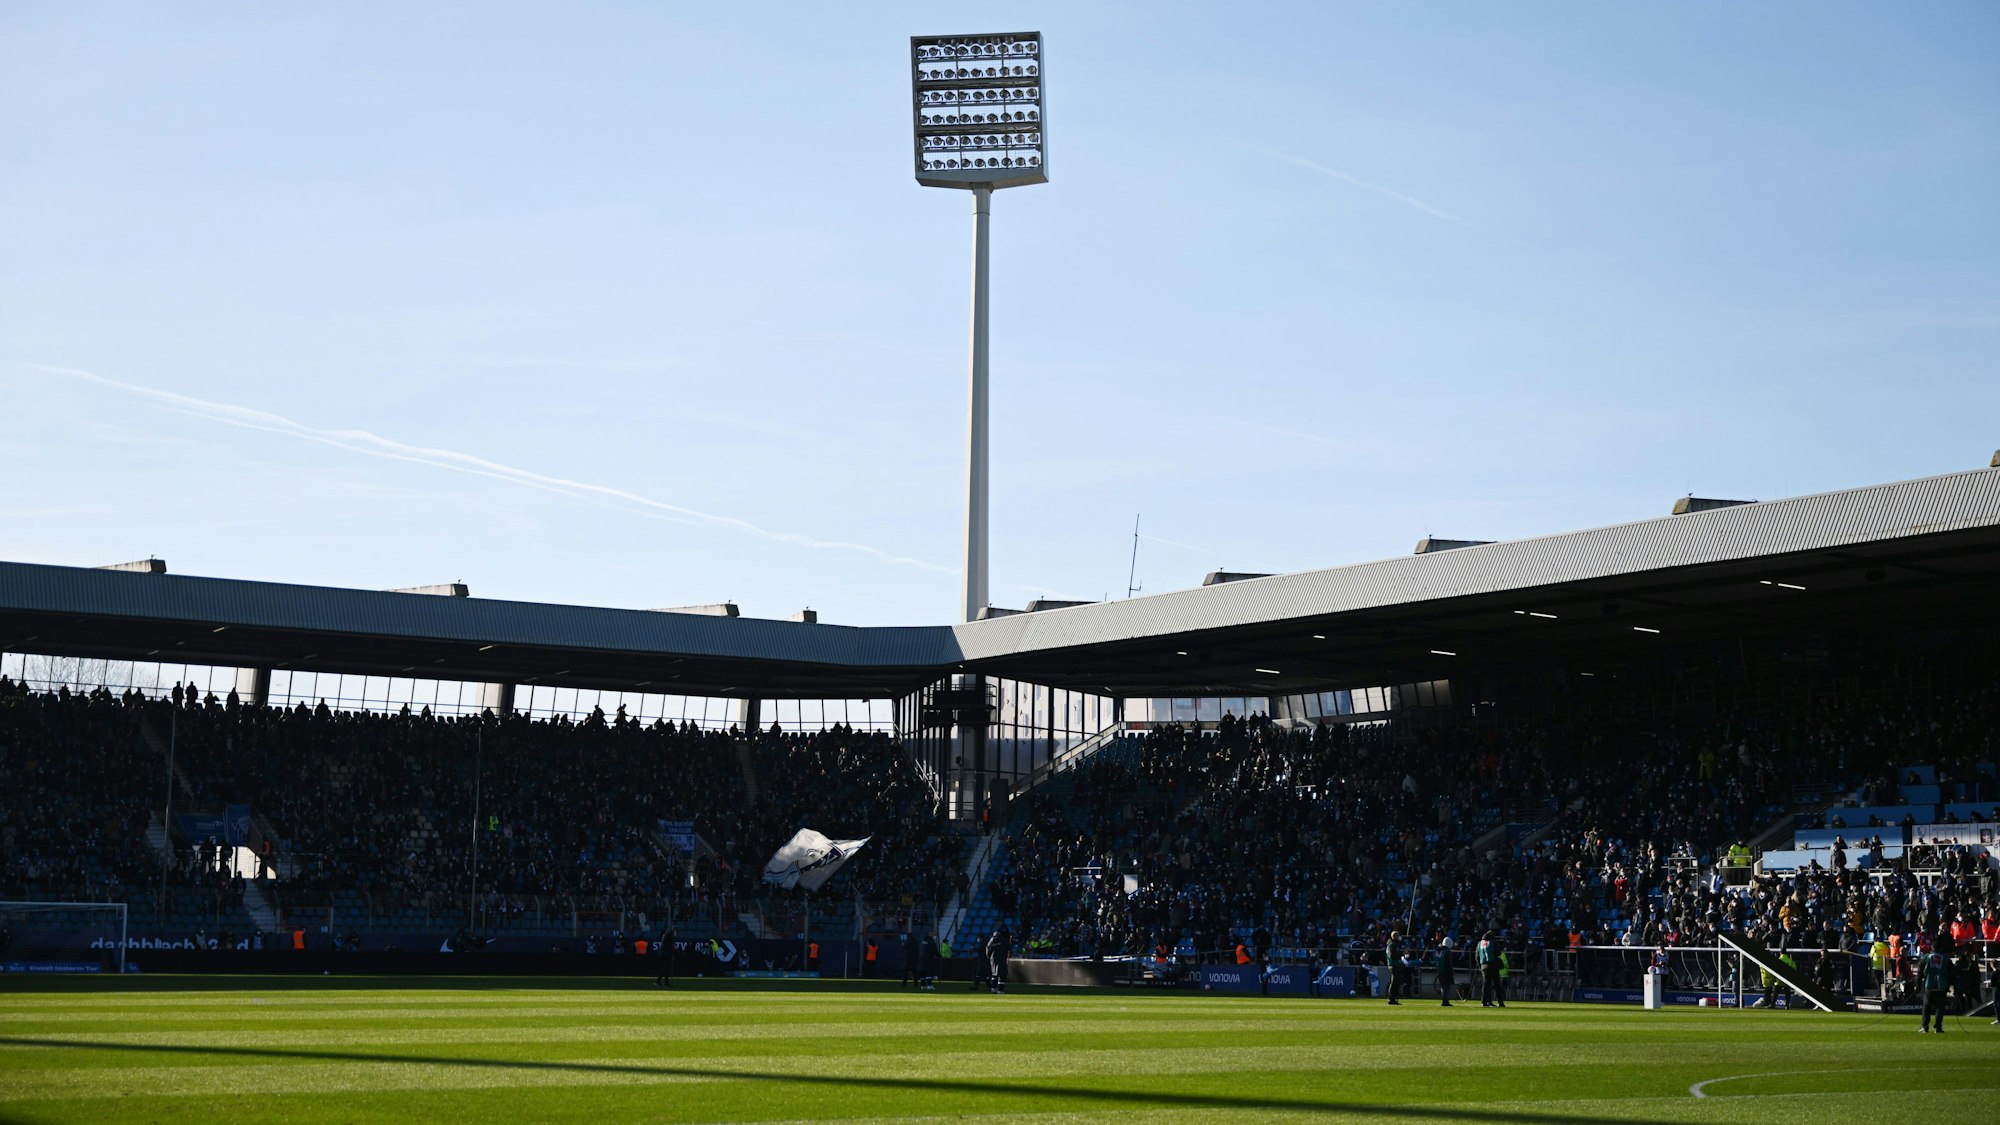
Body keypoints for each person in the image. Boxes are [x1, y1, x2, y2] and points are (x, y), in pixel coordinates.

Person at [1919, 937, 1952, 1033]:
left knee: (1926, 1007)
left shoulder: (1926, 957)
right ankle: (1938, 1027)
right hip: (1941, 986)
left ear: (1932, 948)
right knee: (1940, 1008)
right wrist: (1951, 985)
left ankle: (1925, 1027)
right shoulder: (1946, 958)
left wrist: (1917, 984)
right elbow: (1952, 973)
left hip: (1929, 985)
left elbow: (1920, 971)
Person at [1477, 931, 1502, 1007]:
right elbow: (1497, 952)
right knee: (1496, 984)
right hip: (1493, 965)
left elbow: (1477, 956)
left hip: (1484, 966)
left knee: (1486, 985)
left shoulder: (1479, 943)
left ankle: (1485, 1002)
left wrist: (1480, 967)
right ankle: (1500, 1002)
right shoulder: (1493, 942)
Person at [986, 922, 1012, 994]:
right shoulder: (1003, 940)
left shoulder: (991, 941)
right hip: (1002, 959)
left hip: (993, 959)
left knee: (994, 974)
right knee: (1002, 975)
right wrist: (1010, 942)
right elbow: (1009, 947)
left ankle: (993, 988)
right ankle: (1000, 990)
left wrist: (988, 956)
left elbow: (988, 950)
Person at [1384, 931, 1406, 1005]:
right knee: (1394, 982)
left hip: (1396, 965)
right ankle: (1391, 998)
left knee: (1396, 982)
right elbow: (1392, 956)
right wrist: (1401, 954)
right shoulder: (1392, 945)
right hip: (1393, 965)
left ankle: (1393, 997)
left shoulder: (1394, 945)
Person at [1435, 938, 1456, 1006]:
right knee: (1447, 987)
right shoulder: (1447, 952)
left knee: (1443, 987)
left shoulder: (1441, 951)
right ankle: (1445, 1001)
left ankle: (1444, 1000)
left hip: (1440, 971)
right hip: (1446, 972)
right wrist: (1451, 973)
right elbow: (1448, 964)